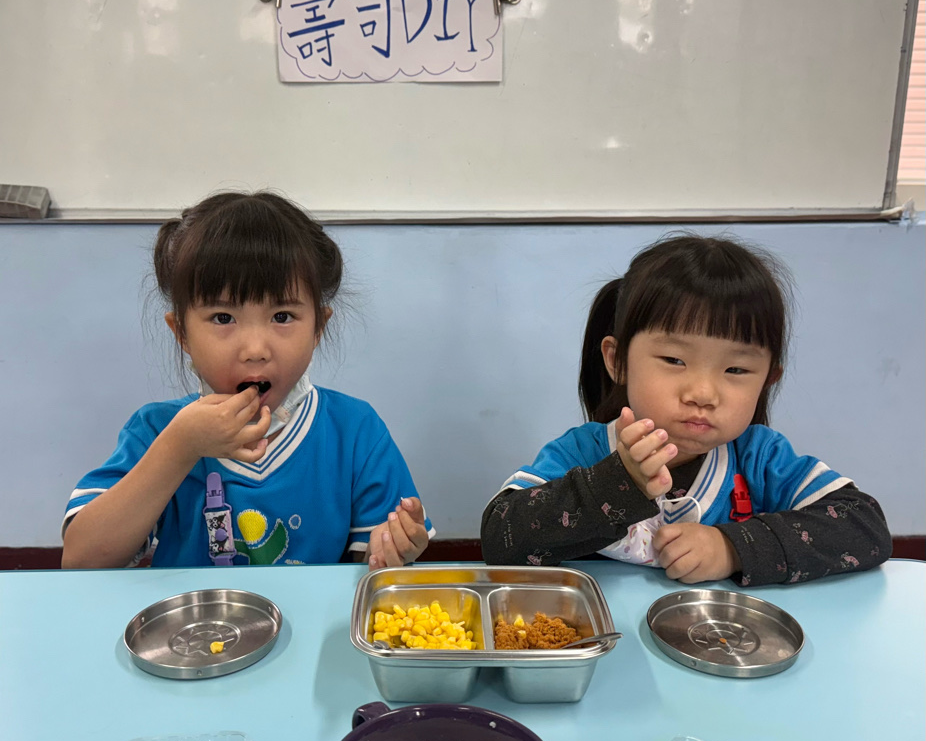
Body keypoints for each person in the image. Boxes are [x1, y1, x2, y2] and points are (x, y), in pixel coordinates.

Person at [480, 234, 890, 585]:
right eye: (675, 360)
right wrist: (619, 482)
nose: (703, 393)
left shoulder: (761, 459)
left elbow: (865, 527)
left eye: (736, 369)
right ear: (617, 360)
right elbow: (501, 539)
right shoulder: (584, 453)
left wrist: (732, 547)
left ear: (768, 378)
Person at [62, 190, 433, 569]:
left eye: (282, 317)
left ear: (318, 327)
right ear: (182, 334)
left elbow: (369, 566)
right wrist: (179, 448)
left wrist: (390, 548)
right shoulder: (158, 431)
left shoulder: (354, 432)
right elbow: (81, 561)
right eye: (223, 318)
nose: (255, 349)